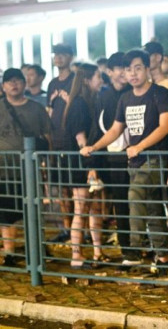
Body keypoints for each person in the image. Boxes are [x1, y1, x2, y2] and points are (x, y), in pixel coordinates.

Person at [81, 50, 168, 274]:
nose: (132, 73)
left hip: (155, 158)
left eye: (137, 68)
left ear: (146, 69)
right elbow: (116, 129)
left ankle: (135, 245)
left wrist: (140, 146)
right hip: (133, 161)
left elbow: (165, 126)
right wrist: (94, 147)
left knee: (134, 195)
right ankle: (163, 257)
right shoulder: (125, 98)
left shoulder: (160, 93)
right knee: (153, 210)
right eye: (128, 69)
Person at [0, 69, 51, 266]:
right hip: (3, 171)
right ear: (3, 87)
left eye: (18, 81)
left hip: (30, 170)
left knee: (33, 211)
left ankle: (37, 249)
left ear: (24, 84)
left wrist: (47, 164)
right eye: (9, 82)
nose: (14, 85)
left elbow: (47, 137)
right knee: (6, 215)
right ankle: (10, 253)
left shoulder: (36, 109)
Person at [86, 52, 133, 259]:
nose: (124, 73)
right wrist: (93, 161)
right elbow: (97, 126)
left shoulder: (136, 91)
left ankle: (147, 245)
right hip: (112, 157)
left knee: (143, 201)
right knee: (120, 203)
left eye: (127, 68)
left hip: (136, 154)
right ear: (109, 72)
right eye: (119, 68)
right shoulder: (103, 96)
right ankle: (127, 248)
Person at [62, 63, 105, 269]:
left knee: (93, 207)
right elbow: (81, 140)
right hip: (82, 164)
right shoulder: (79, 104)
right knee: (81, 208)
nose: (101, 81)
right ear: (87, 80)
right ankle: (76, 254)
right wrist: (90, 167)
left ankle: (97, 251)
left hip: (87, 161)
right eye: (98, 77)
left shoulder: (86, 102)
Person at [46, 43, 75, 243]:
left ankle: (80, 230)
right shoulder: (52, 84)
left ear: (70, 57)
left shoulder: (76, 81)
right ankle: (67, 228)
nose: (58, 57)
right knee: (62, 188)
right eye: (56, 54)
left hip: (73, 141)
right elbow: (49, 110)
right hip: (55, 142)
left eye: (63, 54)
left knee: (77, 188)